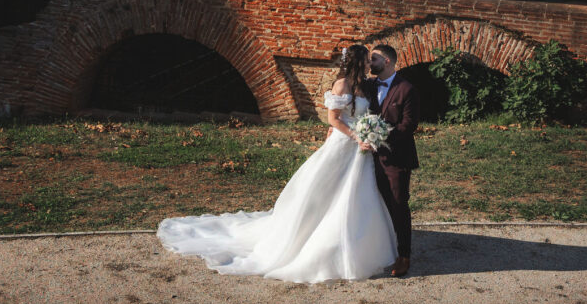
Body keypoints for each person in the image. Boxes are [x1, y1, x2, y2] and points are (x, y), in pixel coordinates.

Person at [156, 44, 398, 283]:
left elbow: (362, 115)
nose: (370, 63)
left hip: (359, 150)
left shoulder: (364, 86)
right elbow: (333, 118)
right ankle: (314, 239)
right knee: (326, 192)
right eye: (367, 60)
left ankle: (357, 241)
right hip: (344, 144)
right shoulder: (341, 84)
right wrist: (356, 135)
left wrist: (368, 133)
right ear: (358, 62)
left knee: (358, 194)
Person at [362, 44, 419, 277]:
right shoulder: (366, 86)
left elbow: (409, 125)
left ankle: (404, 255)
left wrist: (379, 136)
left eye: (373, 59)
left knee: (398, 204)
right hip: (365, 159)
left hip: (396, 158)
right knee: (372, 203)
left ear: (387, 61)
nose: (369, 63)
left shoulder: (407, 89)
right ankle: (377, 249)